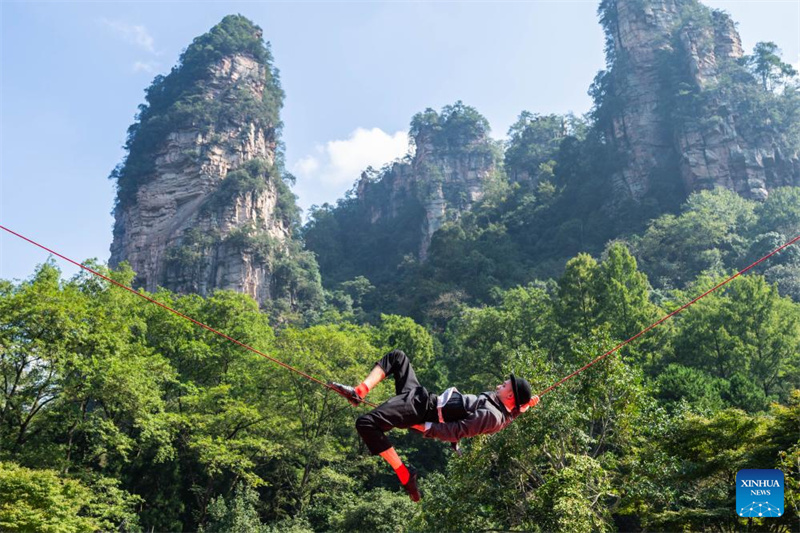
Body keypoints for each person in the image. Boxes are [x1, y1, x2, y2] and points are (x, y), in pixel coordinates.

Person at [329, 349, 540, 502]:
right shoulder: (499, 410)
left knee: (365, 423)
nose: (498, 385)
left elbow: (456, 431)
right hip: (422, 398)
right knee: (398, 357)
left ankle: (403, 472)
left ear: (510, 395)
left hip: (420, 409)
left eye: (503, 385)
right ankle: (359, 392)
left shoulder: (493, 416)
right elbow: (508, 417)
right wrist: (522, 409)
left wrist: (426, 427)